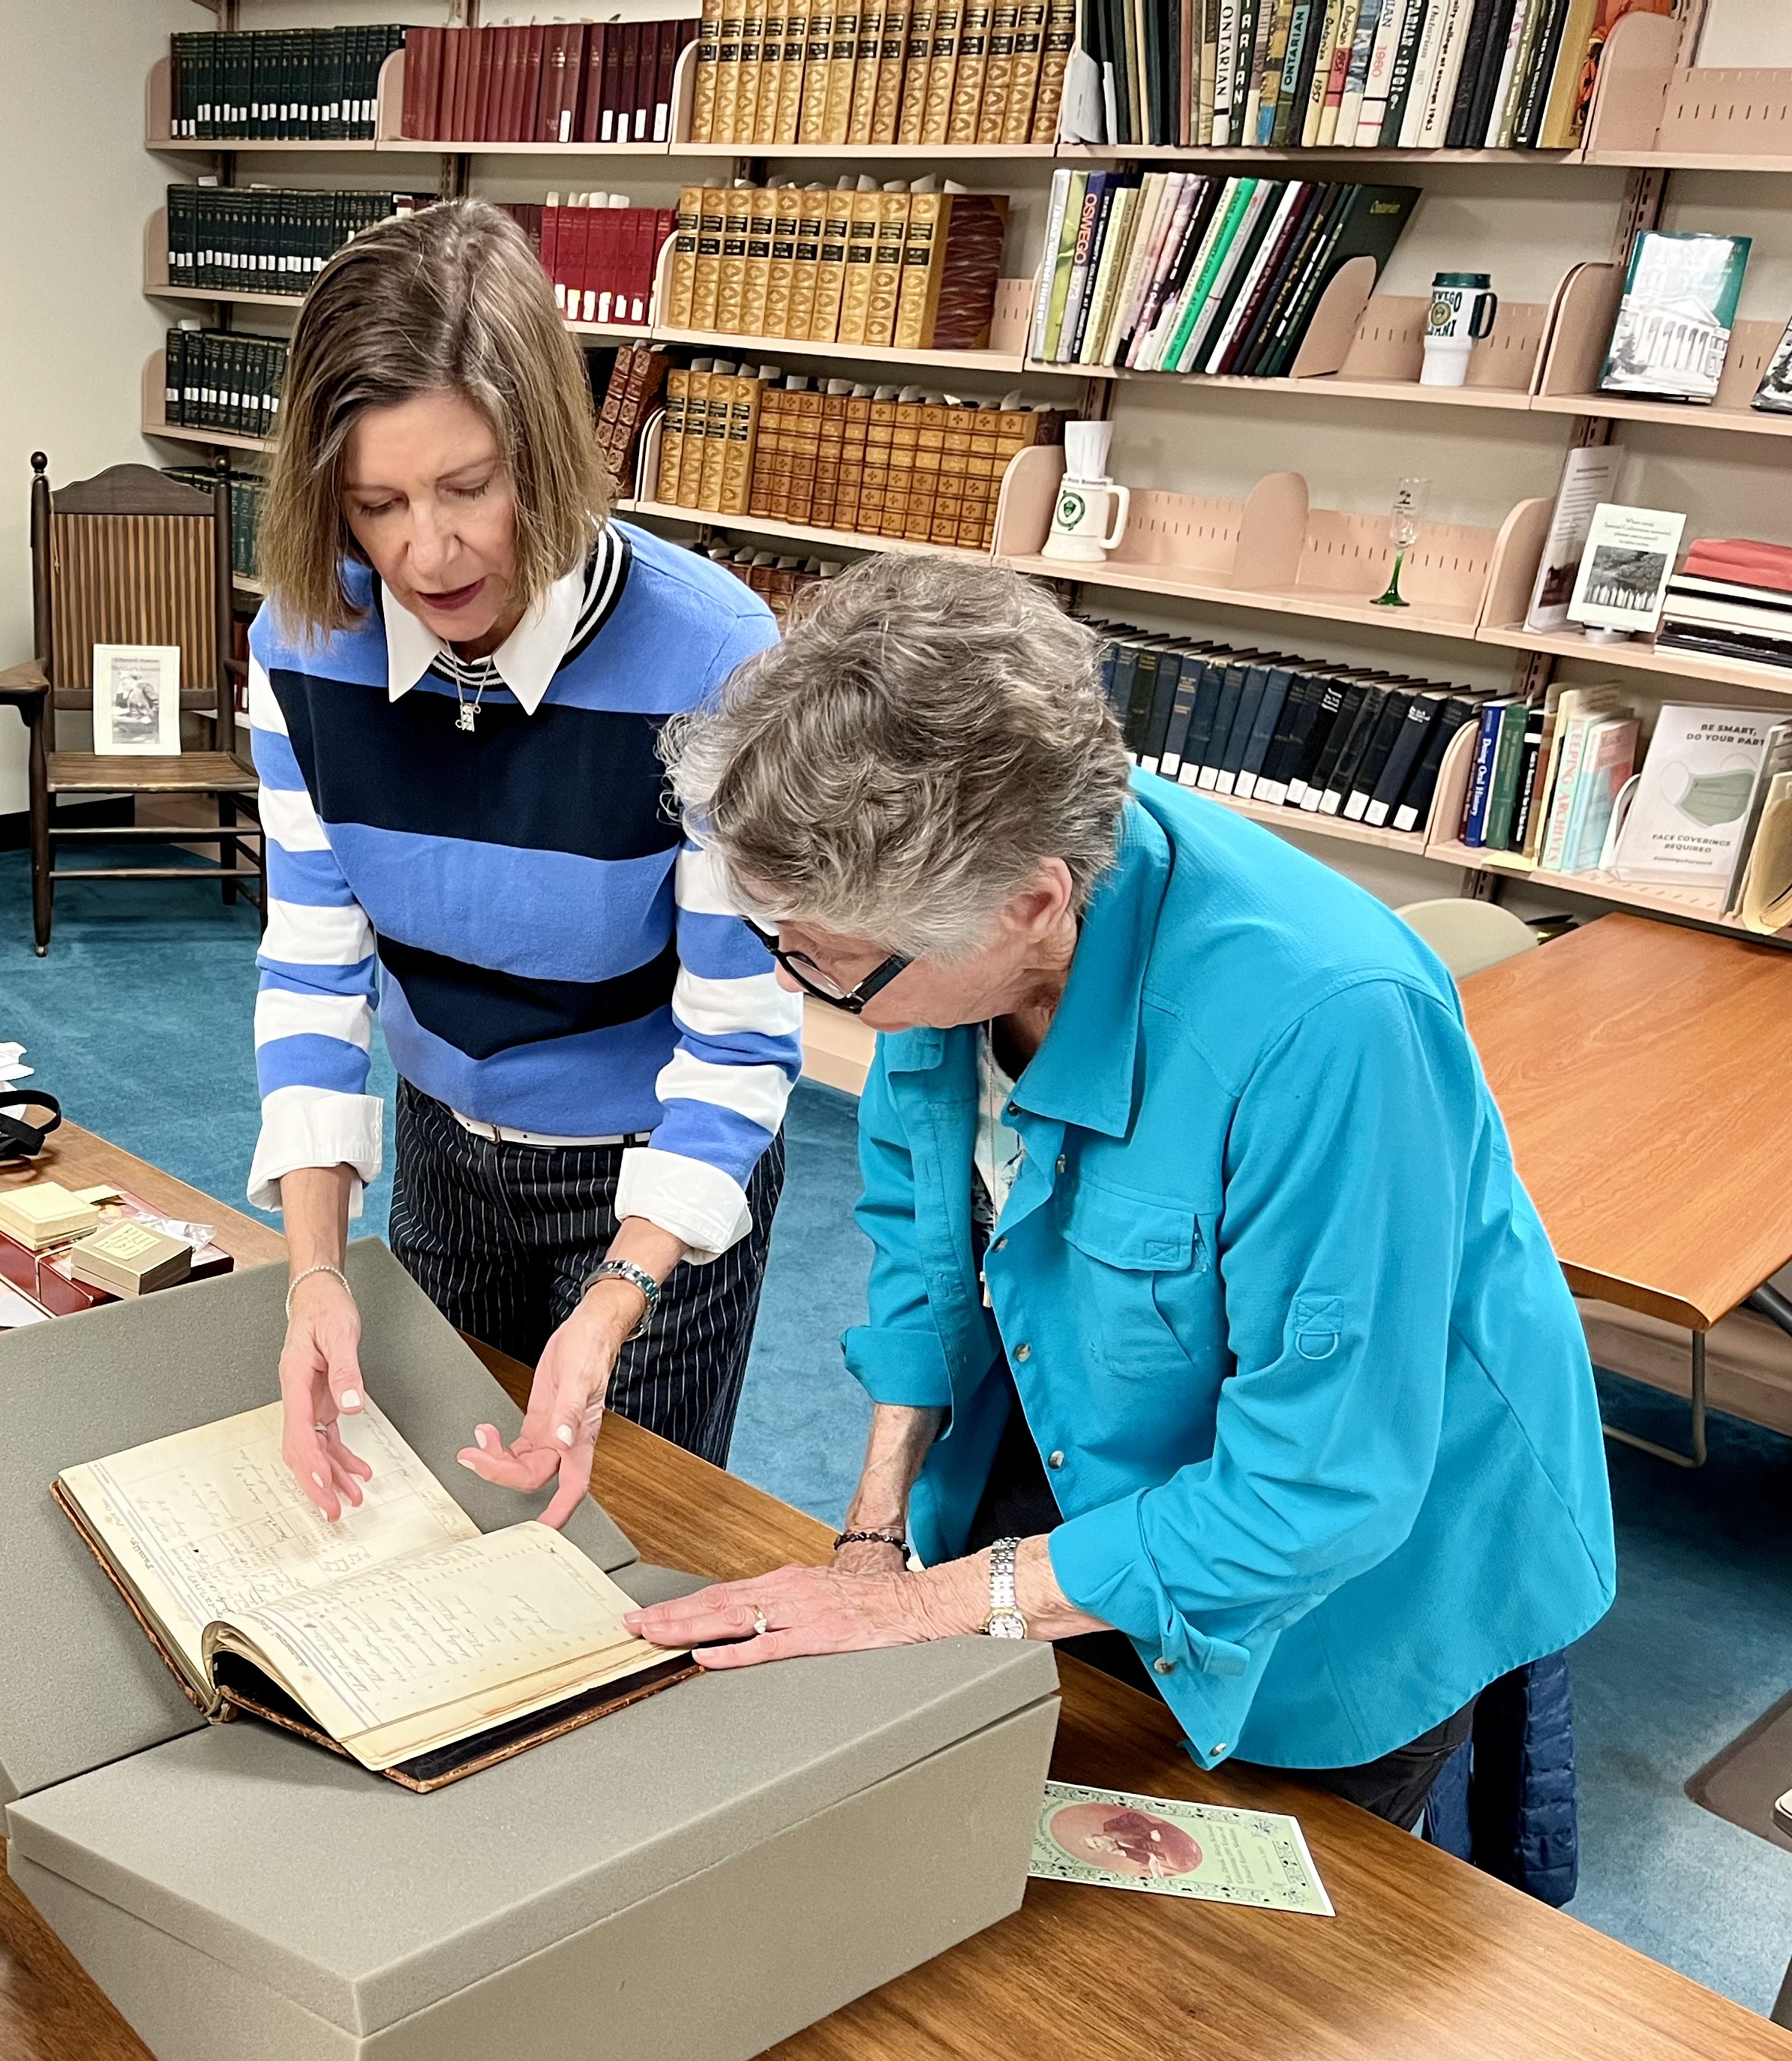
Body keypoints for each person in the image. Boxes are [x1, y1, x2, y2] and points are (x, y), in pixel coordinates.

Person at [625, 555, 1615, 1830]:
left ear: (1031, 905)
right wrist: (873, 1543)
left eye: (830, 969)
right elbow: (927, 1244)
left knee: (1257, 1967)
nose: (804, 988)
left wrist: (933, 1603)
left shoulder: (1328, 1027)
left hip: (1344, 1579)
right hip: (1086, 1429)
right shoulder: (949, 915)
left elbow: (1316, 1486)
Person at [248, 199, 803, 1522]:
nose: (423, 553)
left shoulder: (714, 658)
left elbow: (739, 1035)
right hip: (443, 1138)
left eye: (468, 488)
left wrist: (620, 1299)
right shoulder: (304, 640)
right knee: (431, 1513)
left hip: (651, 1164)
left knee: (616, 1536)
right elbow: (316, 969)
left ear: (545, 458)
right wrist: (316, 1275)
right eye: (374, 503)